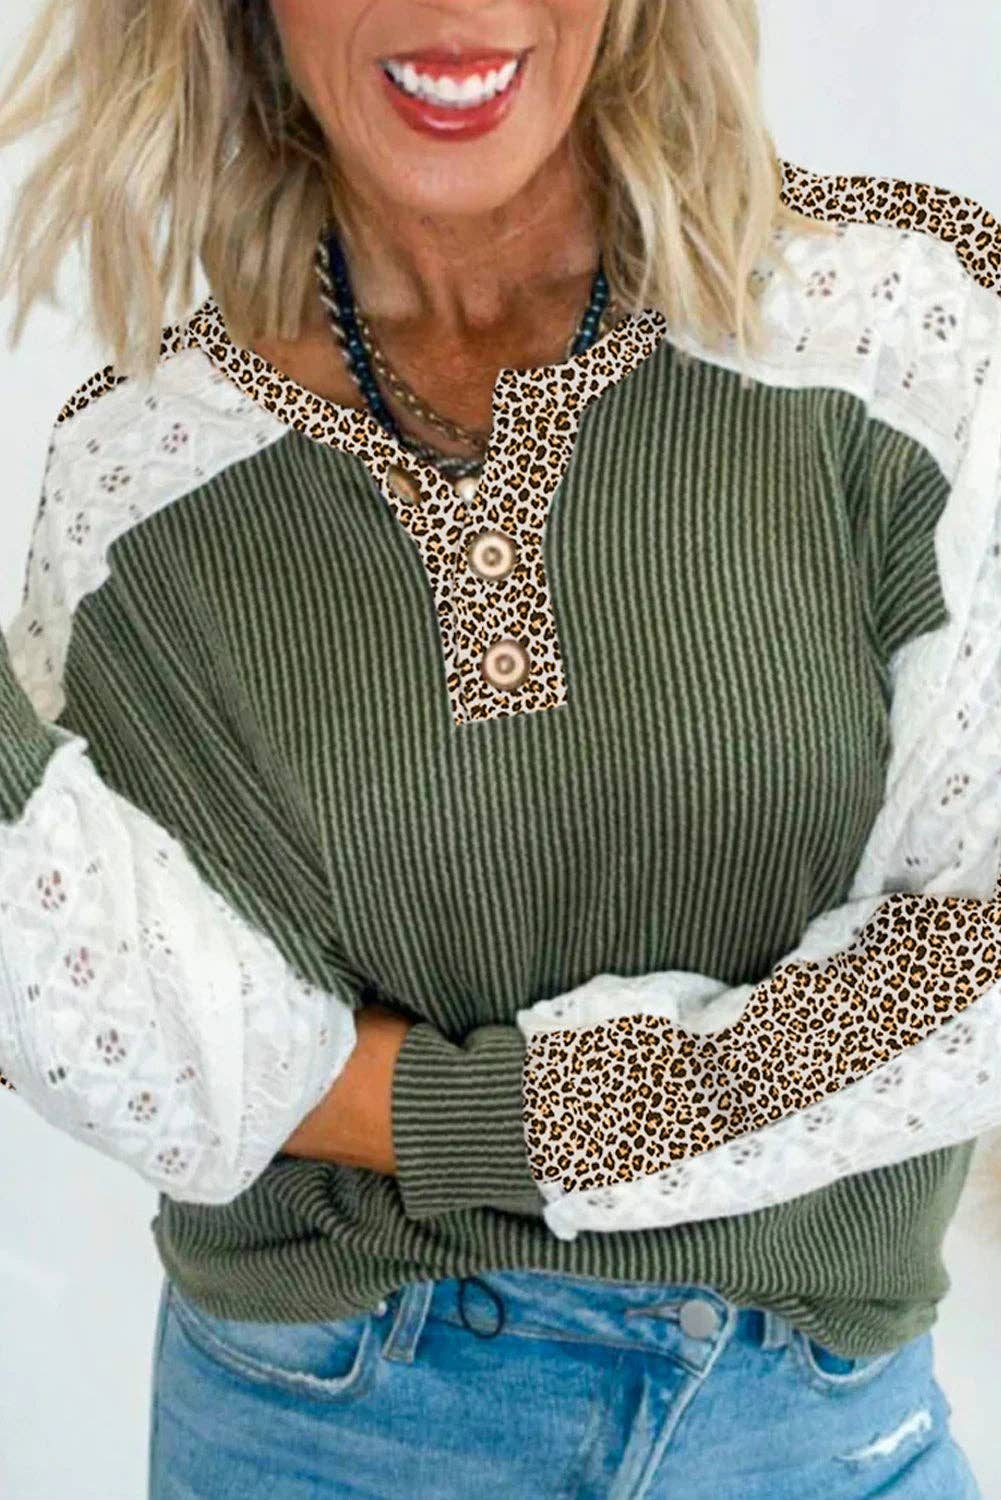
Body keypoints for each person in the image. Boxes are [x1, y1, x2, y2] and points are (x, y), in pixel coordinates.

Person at [0, 0, 998, 1495]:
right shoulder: (138, 476)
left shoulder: (898, 330)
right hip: (318, 1426)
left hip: (807, 1425)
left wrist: (441, 1113)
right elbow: (121, 1031)